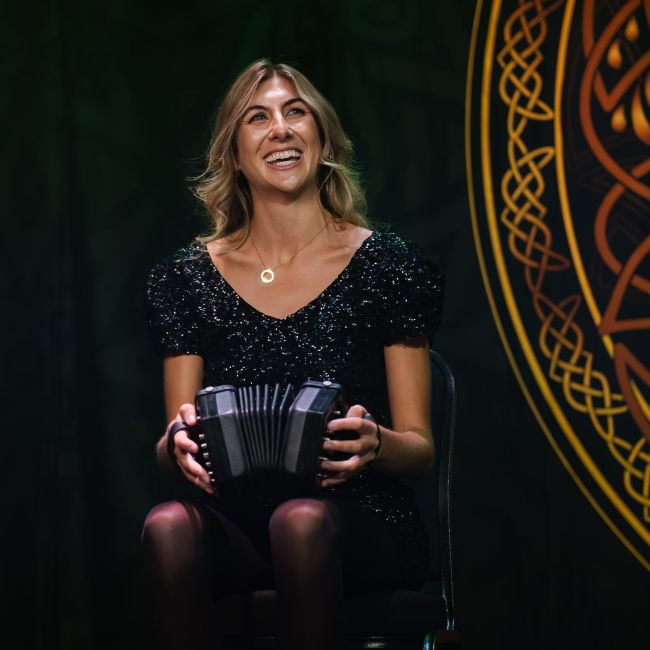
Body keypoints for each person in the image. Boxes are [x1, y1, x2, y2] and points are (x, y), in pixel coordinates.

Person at [142, 58, 444, 650]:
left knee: (299, 520)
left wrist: (377, 443)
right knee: (167, 524)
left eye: (295, 112)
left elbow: (420, 449)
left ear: (321, 138)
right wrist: (172, 446)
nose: (280, 128)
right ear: (233, 153)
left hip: (357, 520)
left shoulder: (387, 265)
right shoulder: (186, 279)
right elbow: (175, 442)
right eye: (257, 117)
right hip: (237, 521)